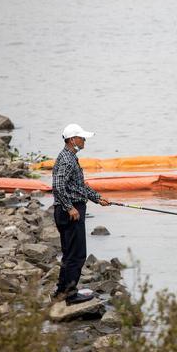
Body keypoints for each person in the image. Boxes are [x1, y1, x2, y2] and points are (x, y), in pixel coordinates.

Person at [51, 123, 110, 305]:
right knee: (77, 255)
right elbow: (58, 187)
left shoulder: (69, 157)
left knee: (69, 254)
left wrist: (97, 198)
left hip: (68, 210)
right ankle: (69, 295)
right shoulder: (68, 160)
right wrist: (70, 208)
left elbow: (78, 186)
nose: (84, 140)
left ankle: (61, 292)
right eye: (82, 137)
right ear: (72, 140)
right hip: (70, 213)